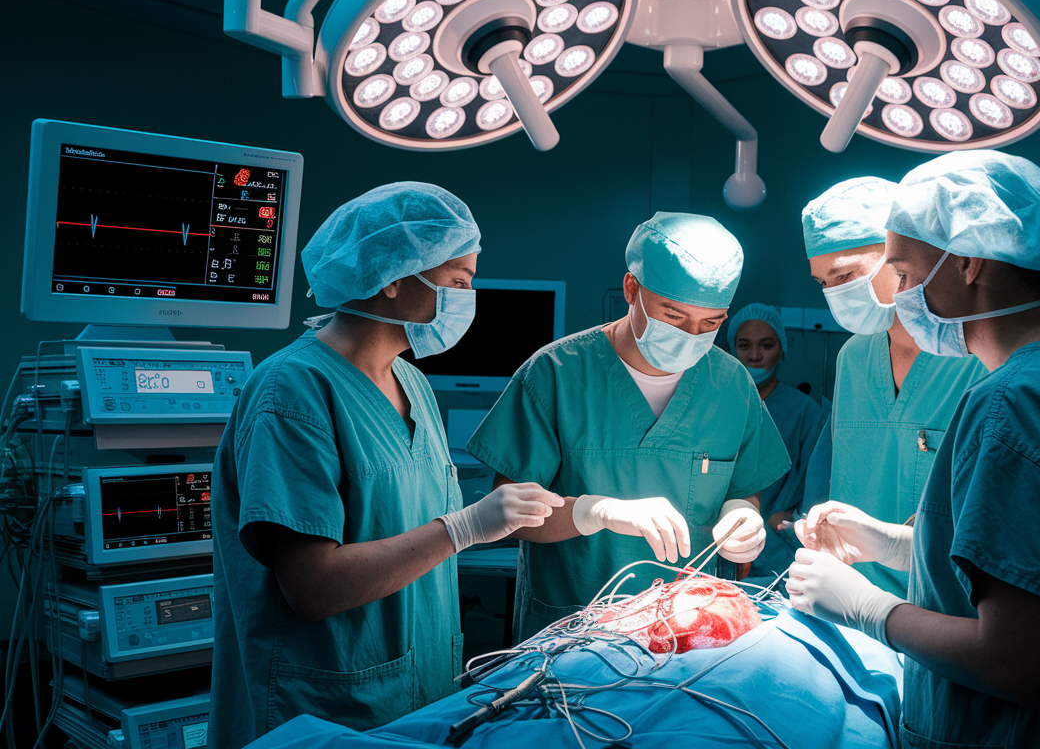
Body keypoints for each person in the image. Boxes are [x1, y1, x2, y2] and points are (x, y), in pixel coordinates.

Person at [786, 151, 1040, 747]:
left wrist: (868, 608)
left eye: (908, 275)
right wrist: (897, 544)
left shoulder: (1014, 402)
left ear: (966, 263)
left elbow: (1015, 663)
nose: (901, 297)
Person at [210, 183, 563, 747]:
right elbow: (312, 586)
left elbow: (410, 530)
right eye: (458, 282)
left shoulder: (411, 382)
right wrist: (465, 527)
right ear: (394, 276)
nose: (467, 298)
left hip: (415, 694)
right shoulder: (293, 392)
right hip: (324, 711)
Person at [466, 212, 792, 640]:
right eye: (674, 317)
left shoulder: (730, 384)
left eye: (711, 323)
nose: (692, 336)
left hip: (690, 634)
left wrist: (743, 514)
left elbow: (743, 485)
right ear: (631, 289)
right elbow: (509, 515)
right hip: (570, 635)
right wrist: (594, 511)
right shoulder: (555, 375)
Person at [798, 177, 986, 599]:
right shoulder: (852, 358)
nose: (834, 294)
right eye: (822, 282)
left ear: (898, 255)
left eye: (844, 274)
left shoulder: (975, 358)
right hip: (846, 599)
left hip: (943, 608)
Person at [727, 303, 824, 580]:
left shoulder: (805, 412)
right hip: (721, 542)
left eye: (766, 345)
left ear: (782, 349)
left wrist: (793, 517)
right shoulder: (718, 405)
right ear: (732, 350)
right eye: (744, 346)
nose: (755, 355)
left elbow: (819, 486)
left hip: (778, 551)